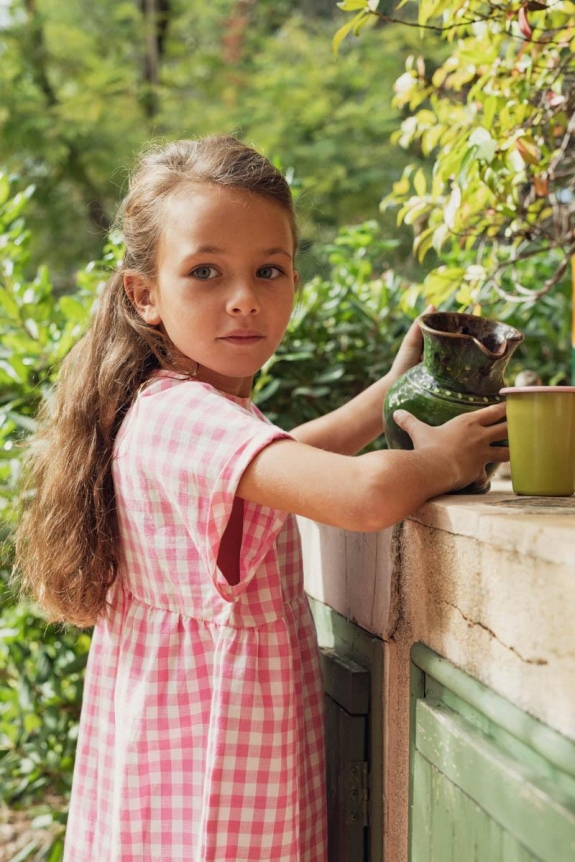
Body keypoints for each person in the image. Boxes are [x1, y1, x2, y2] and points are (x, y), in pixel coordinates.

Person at [15, 135, 508, 862]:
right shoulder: (187, 415)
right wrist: (444, 458)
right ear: (143, 293)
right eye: (205, 272)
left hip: (174, 764)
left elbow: (289, 459)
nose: (243, 299)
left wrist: (394, 386)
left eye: (268, 270)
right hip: (213, 779)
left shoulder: (168, 406)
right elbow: (365, 498)